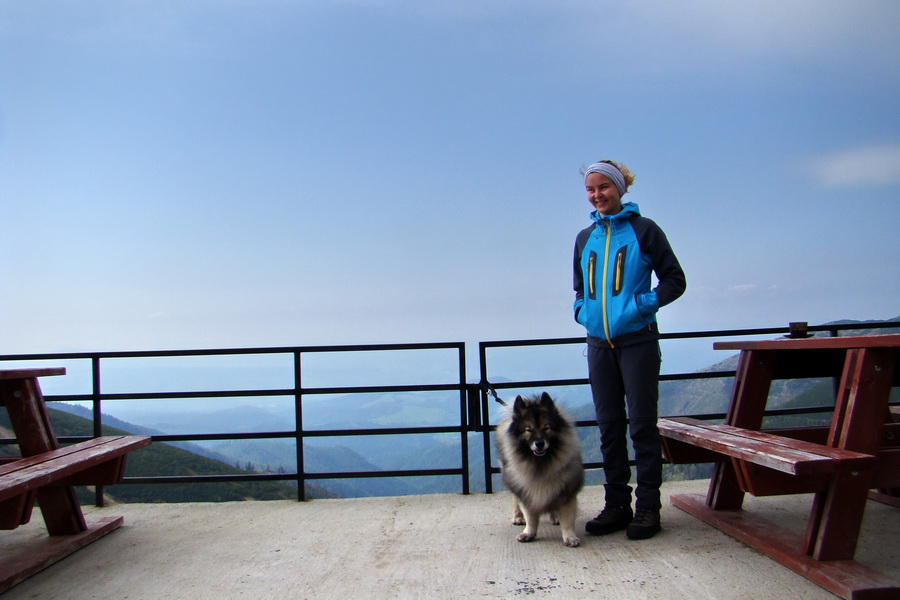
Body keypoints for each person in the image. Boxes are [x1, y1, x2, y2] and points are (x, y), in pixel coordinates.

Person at [572, 159, 686, 540]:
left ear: (620, 189)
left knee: (641, 427)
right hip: (598, 345)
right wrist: (581, 312)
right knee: (608, 429)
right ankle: (617, 506)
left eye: (604, 187)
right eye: (591, 189)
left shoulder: (644, 230)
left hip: (638, 341)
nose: (597, 194)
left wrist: (641, 307)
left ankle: (648, 508)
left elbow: (674, 280)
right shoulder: (584, 237)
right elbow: (579, 288)